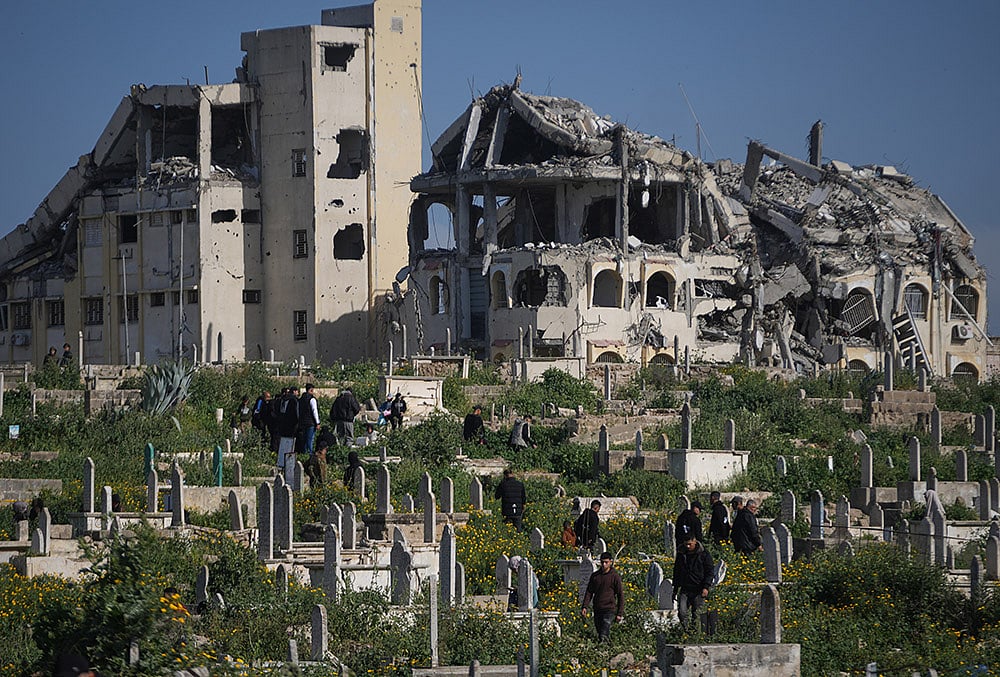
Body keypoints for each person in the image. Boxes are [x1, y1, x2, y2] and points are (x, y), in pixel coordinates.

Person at [672, 533, 715, 628]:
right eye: (686, 544)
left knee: (697, 614)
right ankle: (686, 631)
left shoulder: (704, 554)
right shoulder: (681, 554)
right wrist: (675, 588)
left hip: (698, 589)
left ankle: (695, 632)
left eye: (690, 544)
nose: (688, 546)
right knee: (682, 613)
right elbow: (677, 572)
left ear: (695, 542)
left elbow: (709, 572)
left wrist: (706, 587)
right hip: (685, 589)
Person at [581, 551, 624, 642]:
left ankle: (604, 649)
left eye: (606, 562)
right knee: (599, 631)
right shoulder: (595, 576)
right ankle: (604, 650)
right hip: (597, 608)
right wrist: (585, 606)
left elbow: (620, 595)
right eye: (602, 562)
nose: (604, 564)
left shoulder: (614, 576)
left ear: (610, 562)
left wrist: (619, 613)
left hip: (609, 609)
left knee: (604, 632)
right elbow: (589, 592)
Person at [275, 386, 300, 478]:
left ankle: (281, 462)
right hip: (292, 425)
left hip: (282, 425)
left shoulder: (282, 399)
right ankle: (288, 463)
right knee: (290, 445)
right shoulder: (294, 400)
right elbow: (296, 413)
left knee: (283, 444)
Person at [298, 383, 321, 455]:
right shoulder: (312, 399)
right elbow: (314, 411)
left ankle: (304, 454)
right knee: (310, 440)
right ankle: (310, 454)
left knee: (304, 439)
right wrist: (317, 422)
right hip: (310, 422)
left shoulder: (301, 399)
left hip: (302, 422)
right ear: (311, 390)